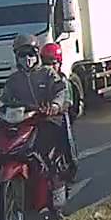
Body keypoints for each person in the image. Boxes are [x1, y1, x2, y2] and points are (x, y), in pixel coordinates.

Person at [0, 34, 71, 220]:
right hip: (23, 122)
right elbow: (4, 98)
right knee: (4, 151)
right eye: (22, 54)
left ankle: (57, 202)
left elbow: (61, 91)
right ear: (16, 57)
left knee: (47, 158)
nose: (27, 58)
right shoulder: (13, 80)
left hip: (47, 120)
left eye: (30, 53)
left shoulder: (47, 73)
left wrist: (54, 105)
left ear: (37, 53)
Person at [39, 42, 80, 185]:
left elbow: (67, 101)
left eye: (53, 63)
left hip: (61, 116)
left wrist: (57, 107)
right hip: (43, 117)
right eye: (46, 63)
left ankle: (72, 166)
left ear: (59, 63)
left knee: (67, 140)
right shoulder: (39, 79)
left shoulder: (63, 81)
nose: (50, 67)